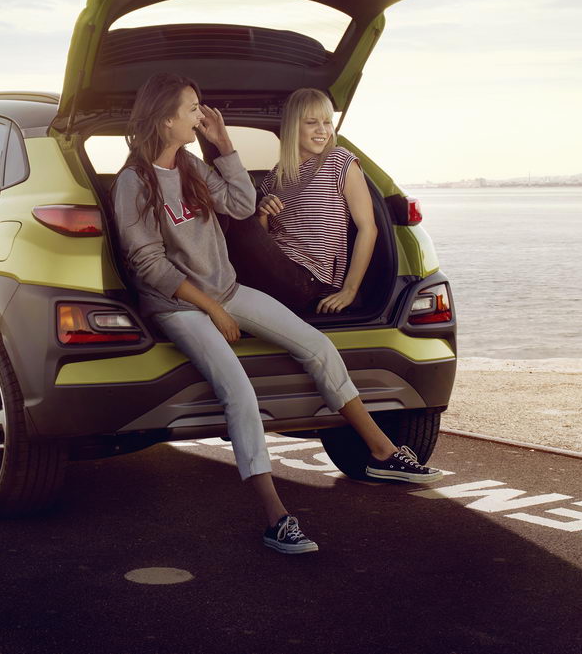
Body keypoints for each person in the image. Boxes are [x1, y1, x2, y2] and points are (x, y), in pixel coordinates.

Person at [110, 72, 441, 555]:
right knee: (239, 393)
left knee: (317, 345)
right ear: (165, 120)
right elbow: (149, 265)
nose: (201, 117)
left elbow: (242, 205)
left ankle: (381, 451)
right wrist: (213, 311)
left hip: (226, 290)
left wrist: (223, 145)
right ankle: (276, 518)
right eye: (193, 109)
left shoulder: (191, 166)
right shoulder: (132, 183)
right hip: (178, 306)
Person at [226, 88, 375, 314]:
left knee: (231, 209)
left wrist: (349, 290)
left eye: (327, 122)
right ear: (293, 127)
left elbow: (368, 228)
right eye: (312, 122)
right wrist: (262, 213)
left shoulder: (339, 160)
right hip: (272, 268)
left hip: (308, 279)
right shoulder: (276, 175)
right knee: (228, 211)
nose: (322, 130)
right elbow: (261, 240)